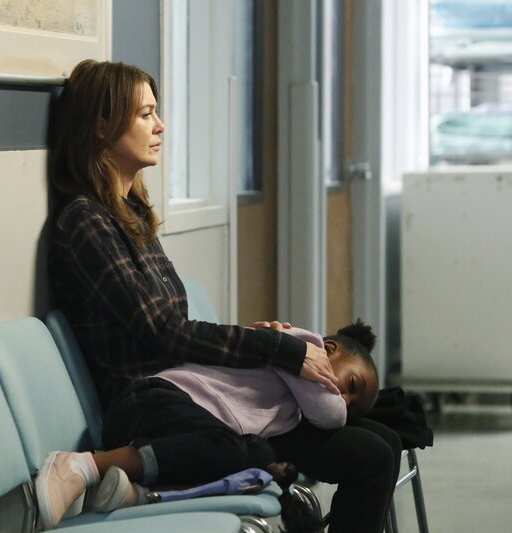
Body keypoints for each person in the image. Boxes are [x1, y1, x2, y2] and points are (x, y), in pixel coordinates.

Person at [47, 59, 400, 532]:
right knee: (372, 455)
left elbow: (171, 329)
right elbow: (163, 331)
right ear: (101, 125)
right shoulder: (86, 221)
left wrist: (264, 348)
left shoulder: (131, 214)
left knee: (384, 436)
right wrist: (277, 349)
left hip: (197, 393)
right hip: (161, 405)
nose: (160, 125)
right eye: (145, 114)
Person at [36, 322, 380, 530]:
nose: (343, 399)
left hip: (175, 432)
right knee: (234, 448)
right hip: (152, 401)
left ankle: (133, 492)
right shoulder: (303, 348)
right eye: (351, 386)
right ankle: (84, 466)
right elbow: (330, 414)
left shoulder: (294, 395)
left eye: (352, 403)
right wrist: (338, 405)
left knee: (257, 455)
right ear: (329, 349)